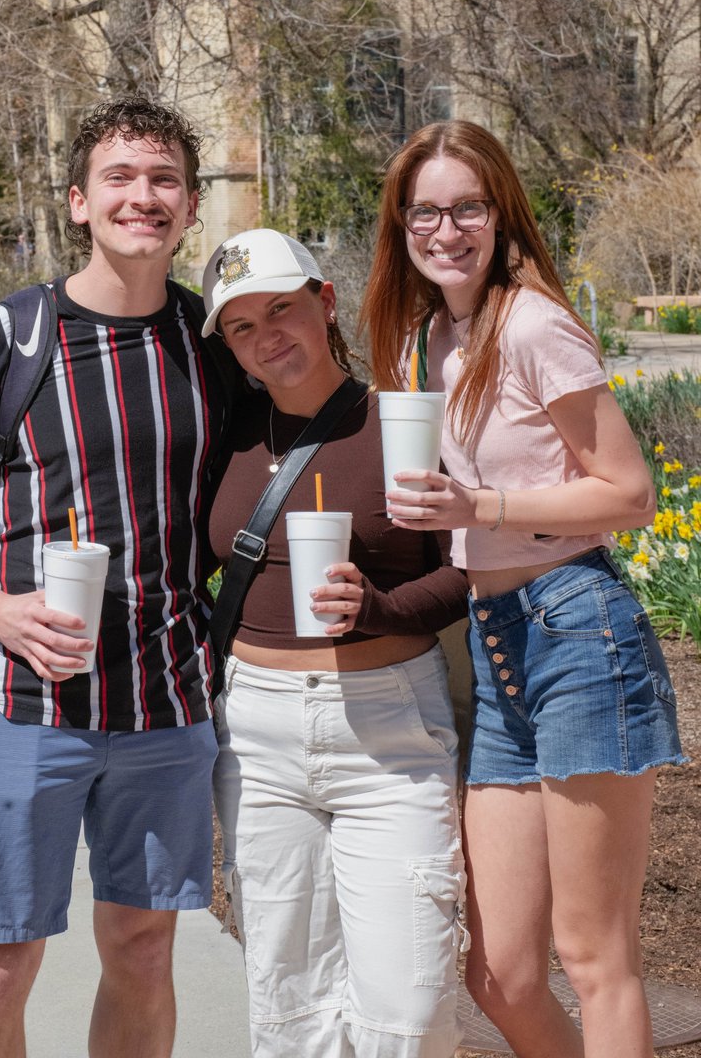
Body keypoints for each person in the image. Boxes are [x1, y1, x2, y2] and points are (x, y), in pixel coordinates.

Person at [0, 96, 235, 1058]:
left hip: (167, 705)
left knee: (142, 947)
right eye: (121, 179)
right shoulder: (7, 337)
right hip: (19, 701)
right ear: (80, 201)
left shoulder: (211, 344)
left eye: (164, 178)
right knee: (0, 962)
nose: (144, 197)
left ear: (190, 203)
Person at [360, 120, 686, 1058]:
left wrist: (481, 503)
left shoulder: (534, 323)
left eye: (468, 207)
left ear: (502, 215)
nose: (446, 228)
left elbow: (629, 492)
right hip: (497, 639)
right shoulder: (427, 340)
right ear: (402, 225)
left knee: (595, 956)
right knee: (499, 974)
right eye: (425, 211)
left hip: (579, 629)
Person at [202, 227, 471, 1058]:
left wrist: (383, 607)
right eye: (242, 326)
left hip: (390, 733)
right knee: (288, 1005)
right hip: (256, 732)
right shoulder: (223, 437)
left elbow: (470, 567)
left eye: (281, 308)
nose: (265, 335)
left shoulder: (401, 420)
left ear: (324, 303)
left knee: (411, 1009)